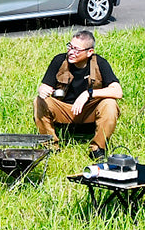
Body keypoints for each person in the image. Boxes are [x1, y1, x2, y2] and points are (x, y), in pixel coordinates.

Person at [34, 30, 122, 160]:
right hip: (65, 110)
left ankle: (97, 149)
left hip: (89, 111)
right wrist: (42, 90)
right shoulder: (59, 60)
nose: (71, 52)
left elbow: (117, 91)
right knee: (39, 101)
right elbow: (45, 86)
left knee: (110, 104)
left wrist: (89, 93)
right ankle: (50, 146)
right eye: (70, 46)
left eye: (76, 50)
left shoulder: (100, 63)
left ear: (89, 52)